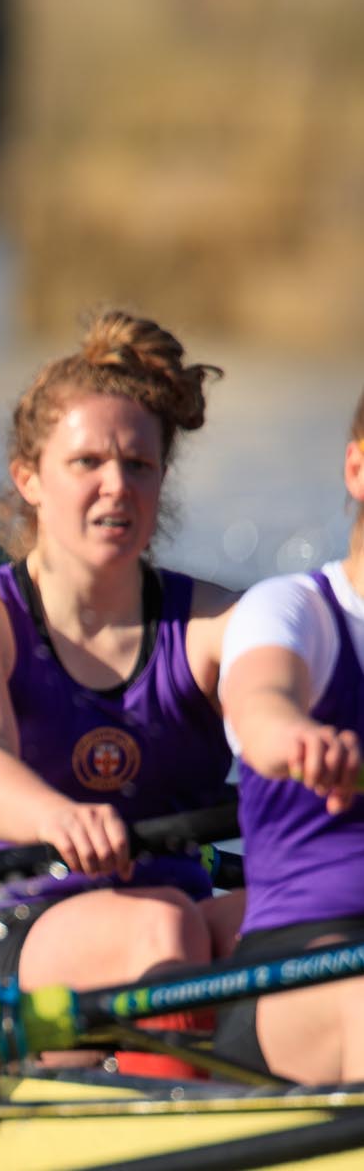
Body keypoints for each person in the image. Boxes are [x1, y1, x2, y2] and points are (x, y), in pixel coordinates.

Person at [0, 311, 239, 1052]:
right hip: (21, 925)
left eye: (139, 466)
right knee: (163, 924)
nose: (116, 486)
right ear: (28, 478)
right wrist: (59, 818)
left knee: (310, 919)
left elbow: (280, 701)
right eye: (87, 462)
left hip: (176, 911)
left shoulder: (218, 621)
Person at [213, 384, 364, 1082]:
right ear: (357, 468)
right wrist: (305, 741)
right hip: (302, 963)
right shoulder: (293, 609)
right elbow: (261, 709)